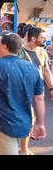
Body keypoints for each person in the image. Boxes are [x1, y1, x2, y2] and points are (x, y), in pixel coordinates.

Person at [19, 26, 53, 155]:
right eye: (42, 37)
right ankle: (23, 148)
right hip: (22, 90)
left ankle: (23, 147)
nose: (45, 39)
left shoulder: (42, 52)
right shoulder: (19, 51)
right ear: (33, 38)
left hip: (38, 91)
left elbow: (46, 71)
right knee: (28, 118)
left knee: (30, 119)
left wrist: (51, 88)